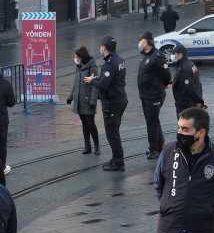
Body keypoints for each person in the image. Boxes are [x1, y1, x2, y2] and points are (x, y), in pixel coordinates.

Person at [86, 36, 128, 171]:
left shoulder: (109, 64)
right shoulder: (119, 60)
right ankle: (116, 158)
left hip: (112, 103)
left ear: (105, 48)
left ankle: (118, 162)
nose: (100, 48)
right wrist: (98, 77)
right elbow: (110, 79)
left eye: (101, 46)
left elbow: (103, 85)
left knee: (112, 133)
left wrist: (92, 81)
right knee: (114, 132)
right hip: (120, 99)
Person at [137, 31, 170, 160]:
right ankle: (159, 146)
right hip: (146, 95)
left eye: (142, 41)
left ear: (149, 42)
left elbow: (166, 75)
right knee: (153, 121)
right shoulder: (146, 56)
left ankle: (154, 150)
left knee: (152, 122)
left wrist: (162, 85)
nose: (140, 43)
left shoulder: (157, 56)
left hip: (154, 96)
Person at [67, 47, 100, 155]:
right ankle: (87, 146)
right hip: (79, 101)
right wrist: (70, 97)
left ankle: (97, 146)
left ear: (82, 57)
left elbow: (95, 85)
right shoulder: (78, 67)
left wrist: (93, 101)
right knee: (84, 124)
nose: (75, 59)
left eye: (77, 57)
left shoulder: (92, 67)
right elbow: (75, 83)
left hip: (88, 101)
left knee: (91, 124)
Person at [168, 43, 204, 119]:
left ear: (182, 54)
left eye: (177, 53)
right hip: (188, 103)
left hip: (186, 104)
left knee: (184, 126)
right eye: (174, 53)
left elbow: (190, 87)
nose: (175, 55)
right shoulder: (189, 64)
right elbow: (196, 83)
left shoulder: (184, 68)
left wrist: (198, 101)